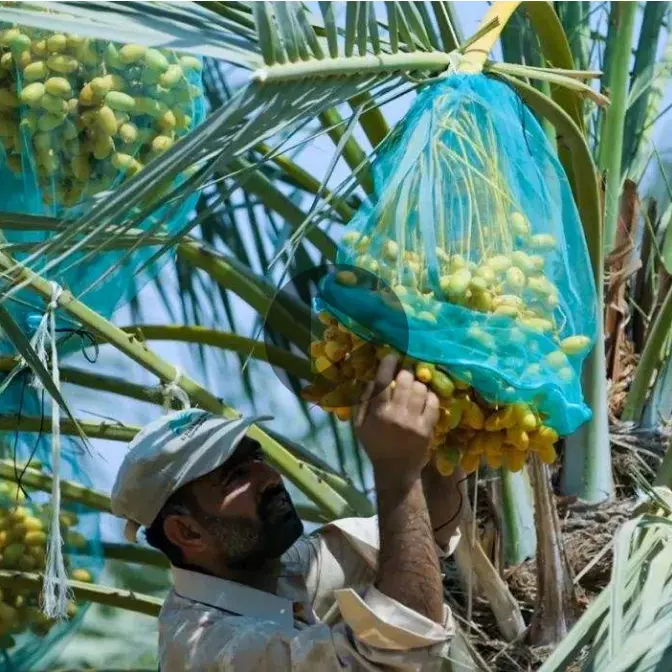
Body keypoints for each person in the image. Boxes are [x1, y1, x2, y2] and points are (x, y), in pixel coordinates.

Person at [111, 355, 465, 671]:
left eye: (257, 459)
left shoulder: (281, 570)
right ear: (186, 533)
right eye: (235, 476)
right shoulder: (207, 651)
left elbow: (422, 534)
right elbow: (398, 650)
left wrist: (435, 419)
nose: (269, 477)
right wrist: (397, 475)